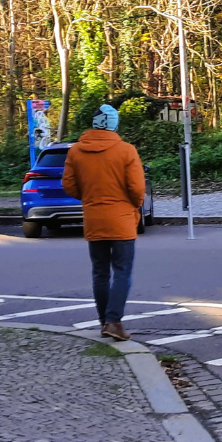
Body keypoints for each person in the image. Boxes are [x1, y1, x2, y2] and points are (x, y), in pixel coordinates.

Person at [62, 104, 145, 342]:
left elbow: (69, 184)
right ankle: (114, 321)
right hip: (122, 220)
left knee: (100, 272)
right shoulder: (126, 150)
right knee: (122, 271)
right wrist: (133, 204)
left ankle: (104, 322)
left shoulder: (76, 151)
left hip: (93, 218)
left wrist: (89, 198)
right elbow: (137, 188)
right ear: (114, 125)